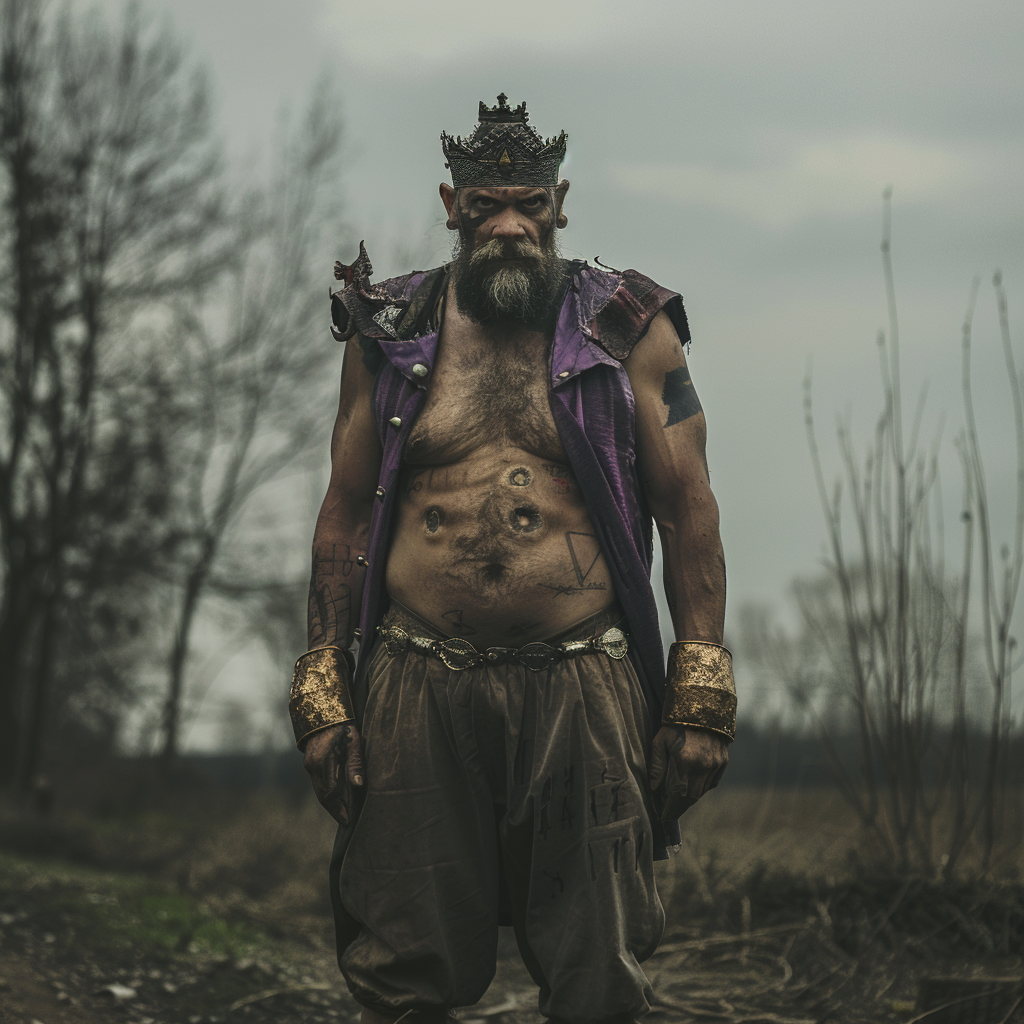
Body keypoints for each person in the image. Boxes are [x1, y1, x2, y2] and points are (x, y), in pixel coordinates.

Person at [288, 95, 735, 1024]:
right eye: (486, 205)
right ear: (450, 206)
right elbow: (344, 518)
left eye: (528, 204)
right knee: (401, 962)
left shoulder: (628, 329)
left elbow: (689, 512)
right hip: (416, 687)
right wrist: (324, 687)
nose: (509, 226)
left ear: (560, 203)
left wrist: (701, 693)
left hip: (585, 687)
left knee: (597, 972)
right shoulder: (391, 332)